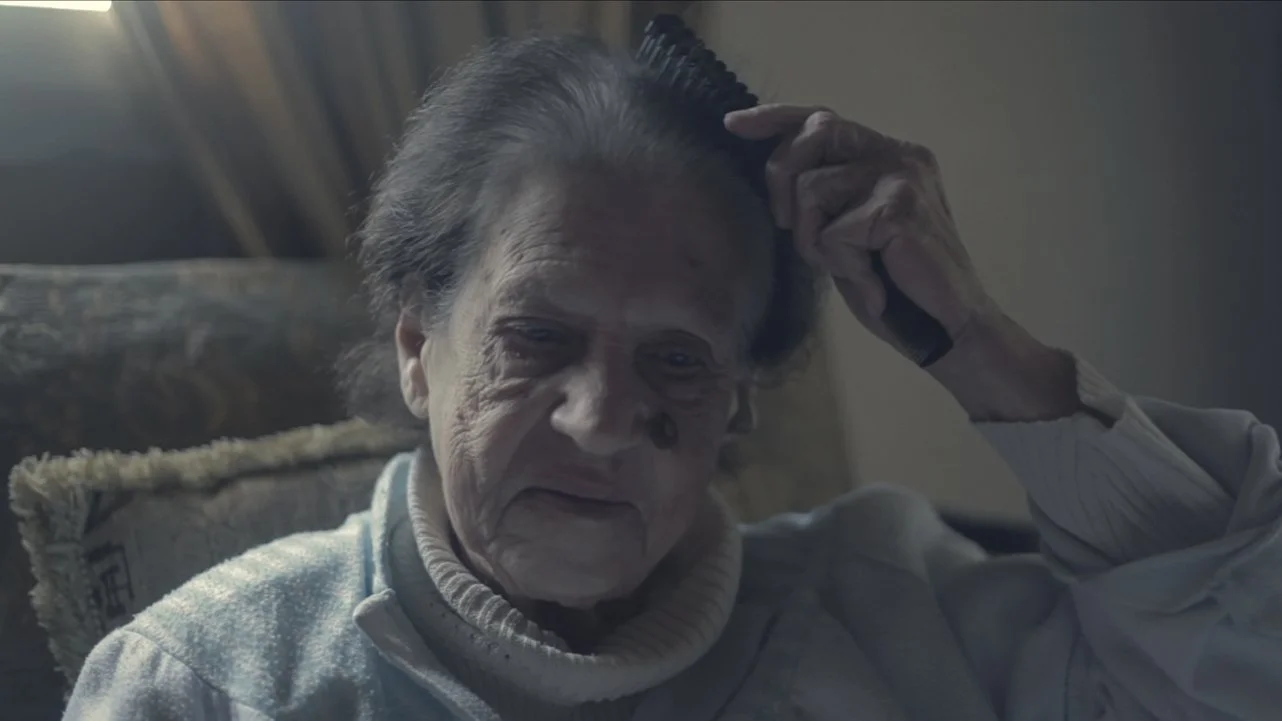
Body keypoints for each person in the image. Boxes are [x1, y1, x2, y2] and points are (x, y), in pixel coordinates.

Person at [64, 34, 1281, 721]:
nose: (603, 422)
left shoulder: (900, 610)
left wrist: (974, 335)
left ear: (739, 401)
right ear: (416, 350)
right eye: (537, 337)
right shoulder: (210, 681)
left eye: (678, 359)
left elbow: (1237, 676)